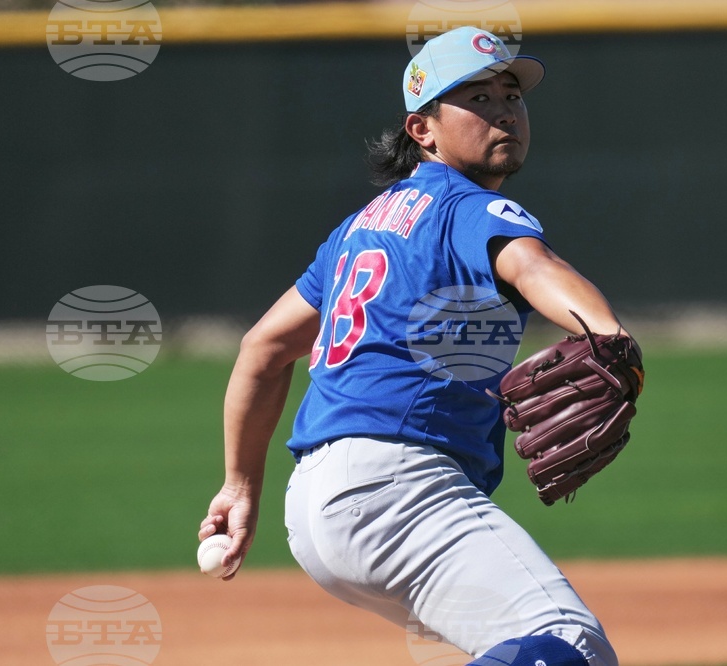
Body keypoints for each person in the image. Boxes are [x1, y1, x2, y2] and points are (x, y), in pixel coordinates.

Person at [198, 27, 632, 666]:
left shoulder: (356, 229)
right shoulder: (468, 207)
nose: (504, 109)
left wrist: (239, 486)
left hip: (316, 510)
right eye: (476, 98)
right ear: (422, 130)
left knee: (514, 648)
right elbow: (534, 267)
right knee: (568, 647)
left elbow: (263, 347)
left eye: (511, 94)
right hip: (399, 487)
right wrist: (611, 338)